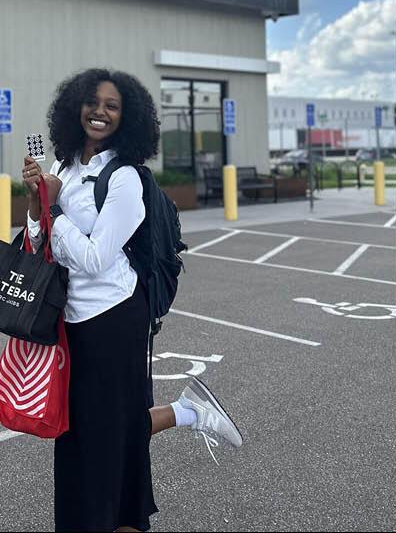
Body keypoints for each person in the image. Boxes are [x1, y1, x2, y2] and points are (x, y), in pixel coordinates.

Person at [21, 68, 243, 532]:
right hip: (72, 318)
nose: (100, 112)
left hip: (115, 318)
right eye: (93, 102)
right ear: (74, 107)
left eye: (112, 106)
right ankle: (187, 412)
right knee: (86, 432)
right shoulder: (64, 168)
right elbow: (40, 240)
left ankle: (181, 422)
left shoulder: (126, 180)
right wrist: (37, 202)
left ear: (128, 118)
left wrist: (57, 209)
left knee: (104, 434)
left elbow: (96, 259)